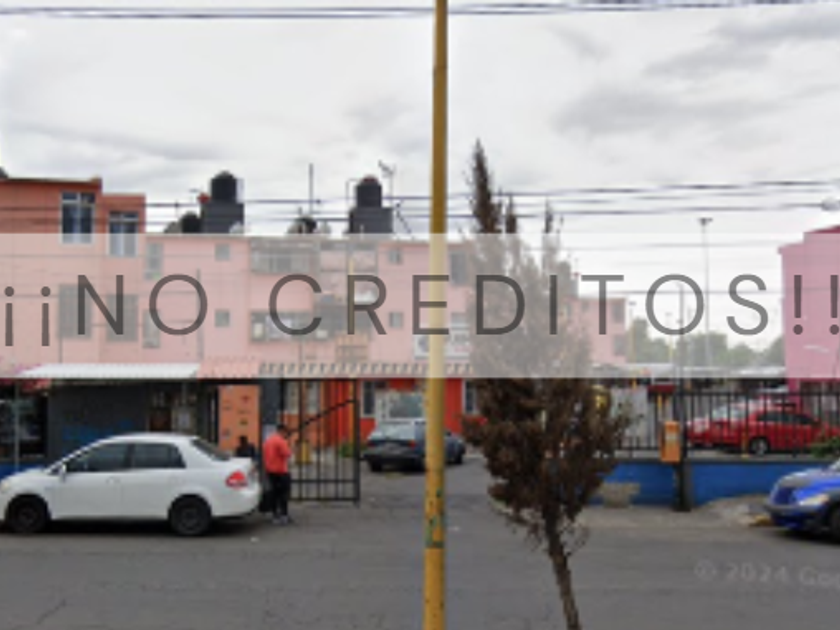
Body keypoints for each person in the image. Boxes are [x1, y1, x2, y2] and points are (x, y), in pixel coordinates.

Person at [262, 423, 293, 525]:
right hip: (281, 471)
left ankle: (275, 515)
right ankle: (284, 515)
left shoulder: (268, 441)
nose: (286, 434)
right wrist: (289, 447)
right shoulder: (281, 441)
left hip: (270, 471)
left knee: (274, 494)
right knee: (283, 494)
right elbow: (287, 454)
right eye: (286, 432)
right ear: (282, 431)